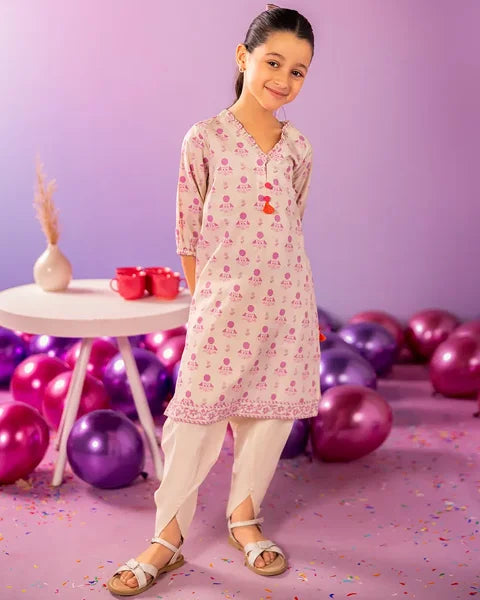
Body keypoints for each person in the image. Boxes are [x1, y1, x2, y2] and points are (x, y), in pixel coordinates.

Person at [108, 3, 320, 595]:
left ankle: (245, 519)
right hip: (223, 306)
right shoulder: (204, 139)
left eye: (298, 71)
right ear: (243, 57)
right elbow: (189, 233)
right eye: (273, 62)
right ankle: (167, 536)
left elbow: (292, 228)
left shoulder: (299, 147)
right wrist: (208, 304)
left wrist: (287, 301)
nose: (283, 79)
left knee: (269, 416)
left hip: (286, 304)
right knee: (194, 420)